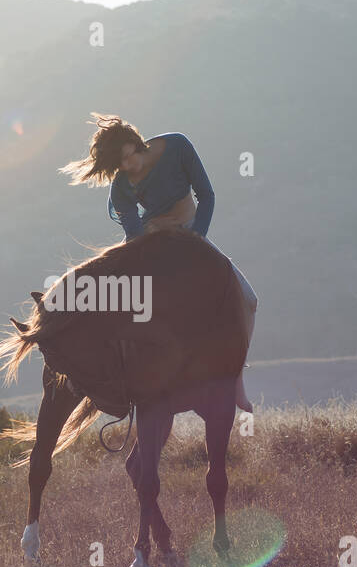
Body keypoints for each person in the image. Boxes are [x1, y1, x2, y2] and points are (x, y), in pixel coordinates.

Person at [58, 112, 258, 412]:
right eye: (121, 164)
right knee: (126, 303)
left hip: (194, 236)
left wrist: (198, 241)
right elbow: (134, 235)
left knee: (248, 298)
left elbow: (206, 195)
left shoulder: (177, 146)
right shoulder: (121, 186)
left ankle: (235, 378)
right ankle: (119, 379)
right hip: (154, 246)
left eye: (129, 156)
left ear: (136, 143)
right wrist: (151, 251)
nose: (129, 166)